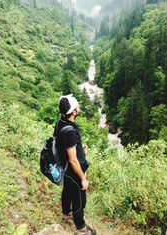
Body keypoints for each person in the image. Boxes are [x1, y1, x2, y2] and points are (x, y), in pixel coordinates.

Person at [54, 94, 96, 235]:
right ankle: (81, 227)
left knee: (67, 190)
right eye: (77, 106)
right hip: (73, 170)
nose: (79, 108)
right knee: (79, 199)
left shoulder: (62, 123)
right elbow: (73, 160)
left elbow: (66, 146)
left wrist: (79, 147)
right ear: (73, 112)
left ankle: (66, 211)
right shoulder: (69, 132)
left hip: (64, 168)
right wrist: (83, 178)